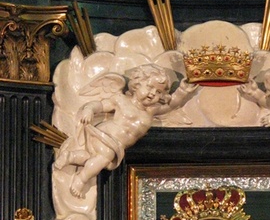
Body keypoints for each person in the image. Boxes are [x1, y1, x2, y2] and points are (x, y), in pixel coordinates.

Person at [54, 64, 197, 198]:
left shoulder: (152, 110)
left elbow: (171, 105)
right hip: (105, 135)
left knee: (94, 158)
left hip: (117, 145)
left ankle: (70, 157)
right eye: (149, 87)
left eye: (159, 92)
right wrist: (89, 109)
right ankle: (81, 179)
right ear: (137, 84)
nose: (153, 93)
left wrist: (183, 90)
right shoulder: (121, 101)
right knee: (104, 157)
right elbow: (101, 105)